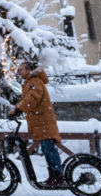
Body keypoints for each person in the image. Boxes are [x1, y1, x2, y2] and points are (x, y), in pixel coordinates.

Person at [9, 60, 65, 188]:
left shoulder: (34, 82)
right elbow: (27, 99)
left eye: (21, 69)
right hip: (41, 123)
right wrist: (17, 108)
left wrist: (18, 110)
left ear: (29, 70)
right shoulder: (31, 82)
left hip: (44, 122)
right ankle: (54, 176)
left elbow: (32, 98)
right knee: (47, 149)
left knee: (49, 149)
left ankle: (58, 176)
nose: (19, 71)